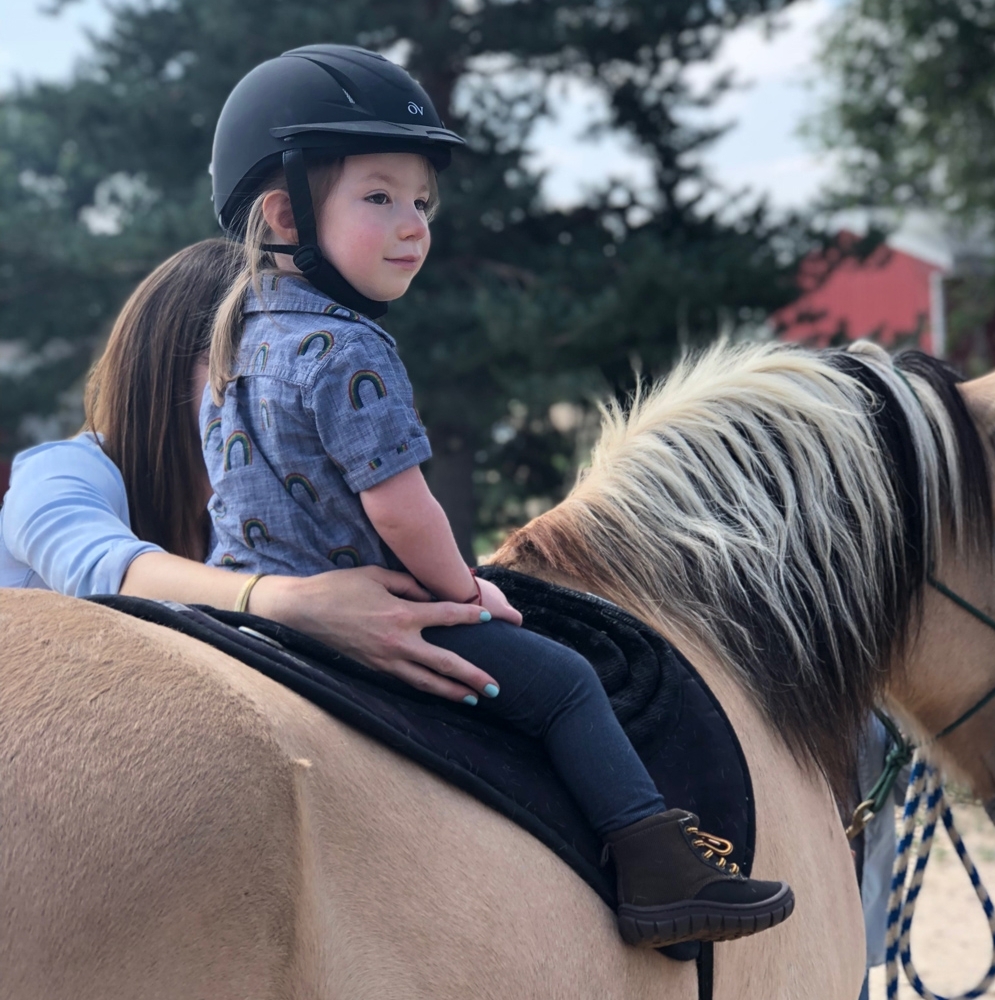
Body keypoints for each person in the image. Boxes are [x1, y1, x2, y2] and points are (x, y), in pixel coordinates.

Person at [202, 43, 795, 948]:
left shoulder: (234, 340)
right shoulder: (351, 349)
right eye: (379, 197)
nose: (414, 224)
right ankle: (656, 867)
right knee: (561, 683)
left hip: (245, 605)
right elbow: (403, 510)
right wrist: (463, 590)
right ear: (284, 212)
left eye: (422, 203)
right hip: (370, 609)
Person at [0, 238, 501, 704]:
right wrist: (297, 604)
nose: (272, 389)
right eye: (249, 363)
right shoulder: (56, 475)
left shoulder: (247, 524)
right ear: (171, 366)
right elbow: (107, 573)